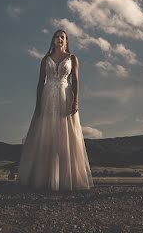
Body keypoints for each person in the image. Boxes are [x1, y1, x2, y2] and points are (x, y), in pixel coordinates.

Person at [17, 29, 94, 191]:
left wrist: (76, 102)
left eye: (63, 37)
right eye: (57, 37)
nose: (60, 39)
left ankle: (66, 179)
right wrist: (38, 103)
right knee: (45, 135)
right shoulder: (45, 60)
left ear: (66, 41)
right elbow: (40, 82)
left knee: (65, 136)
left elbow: (76, 81)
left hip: (65, 96)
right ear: (53, 40)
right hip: (47, 97)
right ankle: (41, 178)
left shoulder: (72, 58)